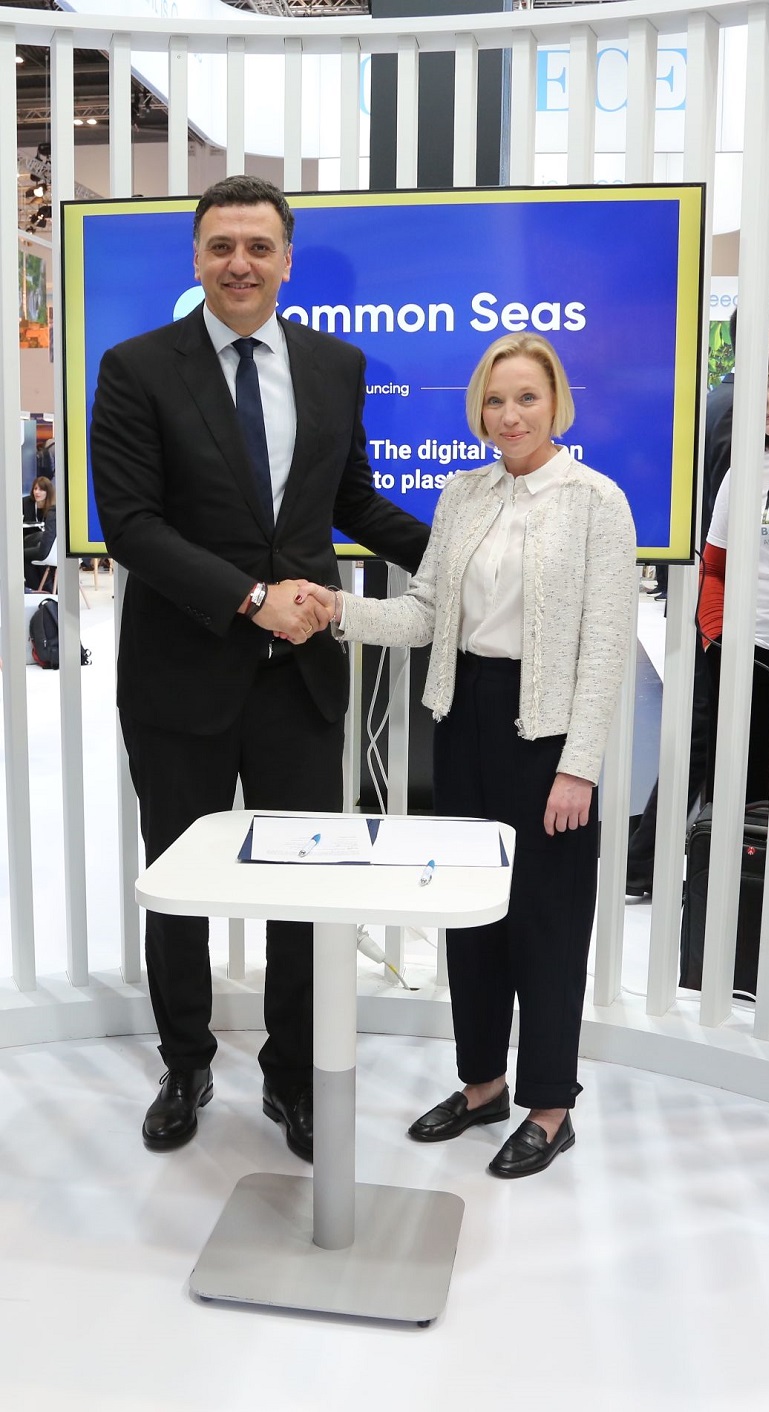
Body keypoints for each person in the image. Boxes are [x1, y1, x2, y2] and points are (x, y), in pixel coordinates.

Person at [90, 175, 429, 1158]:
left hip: (300, 678)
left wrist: (461, 548)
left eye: (257, 247)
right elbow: (132, 525)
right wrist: (250, 597)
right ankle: (185, 1061)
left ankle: (293, 1074)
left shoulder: (335, 365)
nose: (239, 263)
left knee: (304, 891)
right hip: (179, 676)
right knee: (179, 883)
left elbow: (350, 501)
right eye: (221, 246)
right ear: (196, 258)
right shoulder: (136, 367)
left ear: (285, 261)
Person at [304, 334, 636, 1178]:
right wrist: (340, 610)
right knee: (473, 916)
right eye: (495, 400)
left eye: (526, 398)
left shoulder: (597, 502)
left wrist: (579, 766)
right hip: (464, 720)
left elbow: (605, 648)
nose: (509, 415)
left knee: (548, 923)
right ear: (477, 411)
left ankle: (550, 1106)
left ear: (556, 404)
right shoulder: (462, 495)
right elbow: (426, 615)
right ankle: (482, 1084)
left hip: (549, 732)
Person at [625, 295, 769, 895]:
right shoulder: (734, 416)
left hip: (742, 628)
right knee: (708, 747)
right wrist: (716, 629)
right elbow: (717, 537)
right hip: (729, 628)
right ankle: (669, 869)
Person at [698, 343, 769, 803]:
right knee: (744, 800)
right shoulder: (748, 469)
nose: (760, 398)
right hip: (755, 662)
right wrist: (718, 642)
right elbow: (714, 566)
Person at [22, 476, 56, 590]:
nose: (37, 492)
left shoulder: (53, 508)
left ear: (48, 491)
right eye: (35, 489)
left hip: (46, 545)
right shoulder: (26, 503)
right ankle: (40, 588)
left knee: (37, 548)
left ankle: (40, 588)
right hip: (27, 539)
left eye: (41, 489)